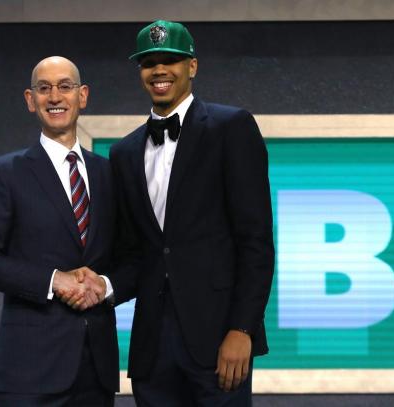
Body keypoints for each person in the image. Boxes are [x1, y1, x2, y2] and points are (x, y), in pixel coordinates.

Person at [106, 20, 275, 406]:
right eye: (149, 63)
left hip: (219, 343)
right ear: (141, 73)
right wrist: (100, 285)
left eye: (171, 60)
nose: (159, 71)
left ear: (192, 67)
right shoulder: (124, 152)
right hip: (152, 351)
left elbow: (256, 240)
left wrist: (242, 328)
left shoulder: (231, 126)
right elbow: (135, 253)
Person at [0, 56, 118, 407]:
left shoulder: (111, 175)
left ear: (83, 95)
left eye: (65, 86)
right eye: (43, 88)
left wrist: (104, 285)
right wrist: (54, 281)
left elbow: (134, 258)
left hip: (97, 371)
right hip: (29, 375)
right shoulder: (4, 173)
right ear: (30, 100)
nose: (55, 96)